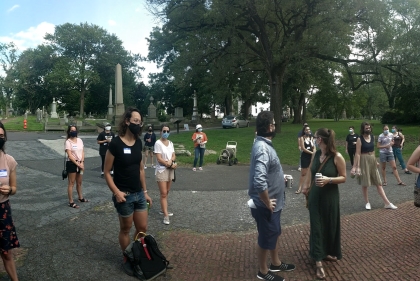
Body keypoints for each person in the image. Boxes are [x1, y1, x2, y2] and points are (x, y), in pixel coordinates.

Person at [104, 107, 152, 276]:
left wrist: (145, 191)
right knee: (126, 228)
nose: (138, 124)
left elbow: (141, 169)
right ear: (127, 121)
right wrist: (116, 192)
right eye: (135, 121)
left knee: (142, 228)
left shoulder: (139, 142)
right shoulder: (116, 144)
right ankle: (128, 258)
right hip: (124, 195)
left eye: (140, 122)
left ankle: (138, 255)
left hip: (139, 194)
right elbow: (107, 172)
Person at [248, 111, 295, 281]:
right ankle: (263, 270)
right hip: (268, 204)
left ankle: (275, 263)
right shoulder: (262, 148)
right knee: (266, 235)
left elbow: (266, 172)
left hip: (275, 202)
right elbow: (259, 181)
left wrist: (279, 178)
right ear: (270, 127)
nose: (275, 126)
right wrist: (266, 201)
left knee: (274, 233)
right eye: (274, 123)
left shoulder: (263, 144)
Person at [301, 128, 346, 280]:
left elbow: (344, 177)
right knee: (317, 226)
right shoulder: (316, 154)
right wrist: (306, 187)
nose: (313, 139)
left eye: (315, 137)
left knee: (329, 224)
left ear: (320, 139)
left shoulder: (337, 157)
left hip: (330, 198)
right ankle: (318, 259)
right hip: (315, 196)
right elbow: (310, 172)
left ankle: (325, 252)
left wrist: (329, 180)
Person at [351, 122, 397, 210]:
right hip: (363, 160)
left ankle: (387, 203)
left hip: (372, 159)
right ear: (363, 129)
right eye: (366, 128)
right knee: (365, 183)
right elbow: (357, 154)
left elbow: (373, 150)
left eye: (369, 128)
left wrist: (376, 161)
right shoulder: (359, 139)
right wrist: (356, 167)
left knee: (378, 182)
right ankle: (367, 202)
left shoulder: (372, 137)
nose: (368, 129)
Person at [0, 122, 20, 281]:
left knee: (7, 253)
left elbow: (14, 188)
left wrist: (10, 190)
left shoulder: (9, 161)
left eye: (1, 136)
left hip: (3, 210)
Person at [154, 125, 177, 225]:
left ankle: (163, 209)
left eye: (167, 131)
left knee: (167, 191)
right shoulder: (158, 143)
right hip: (162, 170)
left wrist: (171, 162)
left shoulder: (170, 143)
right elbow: (159, 158)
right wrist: (167, 163)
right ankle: (166, 215)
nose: (166, 133)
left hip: (170, 169)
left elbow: (173, 154)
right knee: (163, 193)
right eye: (164, 131)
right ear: (160, 132)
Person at [65, 125, 88, 208]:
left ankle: (80, 197)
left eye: (75, 130)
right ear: (69, 132)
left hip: (80, 163)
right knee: (71, 183)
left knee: (79, 182)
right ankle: (71, 201)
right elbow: (70, 155)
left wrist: (82, 162)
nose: (73, 131)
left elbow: (82, 151)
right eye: (72, 130)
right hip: (72, 164)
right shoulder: (68, 142)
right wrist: (77, 164)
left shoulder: (80, 140)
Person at [296, 125, 315, 194]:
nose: (308, 131)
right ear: (304, 131)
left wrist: (314, 152)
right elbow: (303, 148)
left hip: (311, 156)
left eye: (309, 129)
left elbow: (313, 146)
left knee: (310, 171)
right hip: (305, 156)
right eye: (307, 130)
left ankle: (308, 186)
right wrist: (312, 152)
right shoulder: (302, 138)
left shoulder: (311, 138)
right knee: (303, 173)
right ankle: (300, 188)